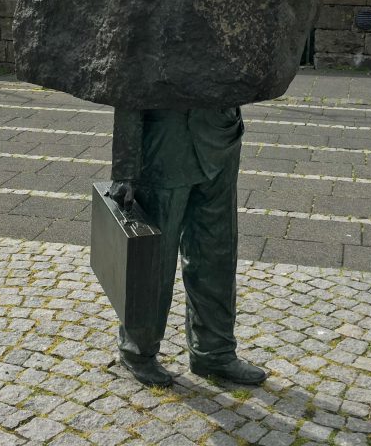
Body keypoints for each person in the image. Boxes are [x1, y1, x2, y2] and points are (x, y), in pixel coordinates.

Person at [109, 107, 266, 388]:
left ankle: (214, 352)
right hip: (166, 142)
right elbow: (128, 83)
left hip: (221, 137)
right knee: (156, 257)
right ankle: (138, 350)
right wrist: (125, 168)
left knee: (217, 251)